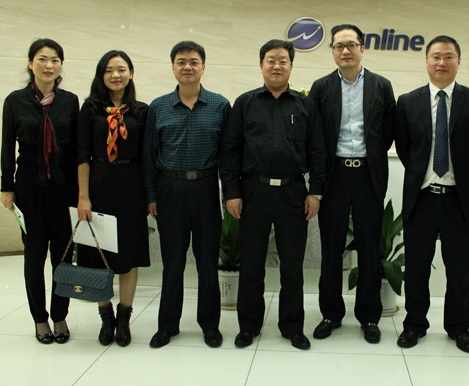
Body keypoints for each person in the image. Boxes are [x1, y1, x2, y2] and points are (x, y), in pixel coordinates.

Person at [220, 39, 326, 350]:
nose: (277, 66)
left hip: (294, 192)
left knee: (292, 267)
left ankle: (292, 327)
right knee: (251, 265)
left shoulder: (306, 105)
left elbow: (318, 152)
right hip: (253, 192)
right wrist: (232, 192)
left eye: (283, 61)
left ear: (291, 66)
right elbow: (230, 151)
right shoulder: (245, 103)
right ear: (261, 65)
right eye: (271, 60)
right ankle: (248, 326)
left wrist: (316, 192)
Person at [395, 35, 469, 352]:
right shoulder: (408, 101)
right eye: (435, 56)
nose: (441, 62)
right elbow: (406, 149)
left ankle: (459, 328)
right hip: (421, 198)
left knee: (459, 271)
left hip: (459, 200)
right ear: (426, 61)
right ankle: (414, 326)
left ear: (458, 62)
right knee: (416, 269)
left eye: (448, 56)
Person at [308, 24, 396, 344]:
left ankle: (369, 316)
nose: (345, 51)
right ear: (332, 51)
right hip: (334, 175)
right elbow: (315, 136)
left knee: (369, 249)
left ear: (362, 48)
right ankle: (331, 313)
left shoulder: (381, 85)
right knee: (331, 248)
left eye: (351, 45)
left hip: (368, 175)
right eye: (338, 46)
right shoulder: (321, 87)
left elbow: (388, 131)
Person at [143, 41, 230, 349]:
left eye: (194, 61)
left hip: (206, 188)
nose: (188, 67)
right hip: (170, 189)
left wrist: (229, 194)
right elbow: (148, 155)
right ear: (173, 67)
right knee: (173, 262)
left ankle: (210, 325)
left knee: (207, 262)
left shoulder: (220, 105)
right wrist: (151, 195)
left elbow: (229, 155)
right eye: (181, 62)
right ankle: (167, 325)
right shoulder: (158, 107)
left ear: (203, 67)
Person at [0, 38, 79, 344]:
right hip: (29, 190)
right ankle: (40, 319)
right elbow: (8, 147)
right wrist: (7, 187)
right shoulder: (15, 101)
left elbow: (76, 149)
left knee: (63, 257)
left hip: (63, 190)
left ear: (61, 66)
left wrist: (81, 191)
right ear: (31, 63)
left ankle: (60, 315)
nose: (49, 65)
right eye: (43, 59)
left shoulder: (69, 101)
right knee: (34, 258)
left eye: (55, 60)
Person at [76, 50, 150, 347]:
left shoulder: (141, 111)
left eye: (121, 69)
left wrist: (149, 196)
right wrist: (83, 197)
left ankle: (124, 318)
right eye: (109, 70)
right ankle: (105, 316)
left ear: (131, 73)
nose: (115, 75)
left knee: (129, 256)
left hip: (132, 188)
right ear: (101, 75)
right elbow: (82, 156)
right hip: (99, 186)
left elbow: (148, 157)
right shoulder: (89, 109)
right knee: (98, 256)